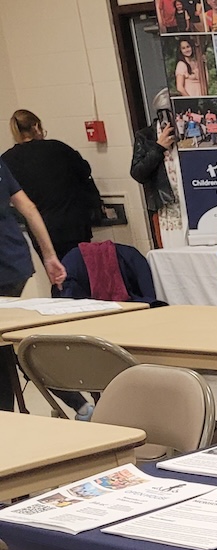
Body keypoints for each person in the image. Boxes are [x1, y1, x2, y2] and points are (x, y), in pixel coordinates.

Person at [0, 159, 70, 413]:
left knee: (6, 349)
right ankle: (78, 402)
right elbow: (28, 208)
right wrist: (49, 256)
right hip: (12, 259)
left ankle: (5, 417)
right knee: (10, 345)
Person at [3, 110, 104, 260]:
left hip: (41, 231)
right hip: (73, 225)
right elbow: (84, 171)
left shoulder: (6, 160)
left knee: (58, 278)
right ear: (36, 127)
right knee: (81, 275)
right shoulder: (59, 148)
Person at [130, 88, 177, 219]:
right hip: (166, 204)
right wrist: (158, 147)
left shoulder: (186, 133)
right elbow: (138, 173)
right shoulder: (146, 136)